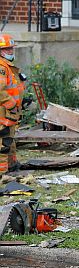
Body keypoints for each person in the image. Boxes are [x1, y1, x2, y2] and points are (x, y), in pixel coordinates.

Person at [0, 34, 27, 175]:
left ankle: (12, 166)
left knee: (10, 139)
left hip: (11, 111)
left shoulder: (8, 66)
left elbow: (15, 87)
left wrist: (21, 102)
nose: (10, 51)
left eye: (11, 48)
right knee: (4, 143)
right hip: (5, 111)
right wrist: (12, 105)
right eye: (6, 49)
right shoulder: (2, 67)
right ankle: (3, 173)